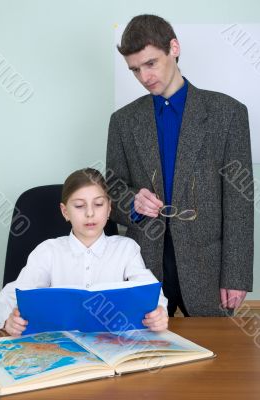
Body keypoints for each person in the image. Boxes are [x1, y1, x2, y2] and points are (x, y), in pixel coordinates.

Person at [106, 14, 254, 317]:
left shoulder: (228, 114)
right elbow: (112, 189)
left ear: (174, 48)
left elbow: (240, 204)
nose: (145, 77)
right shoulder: (122, 121)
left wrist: (236, 276)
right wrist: (132, 201)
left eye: (151, 63)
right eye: (135, 70)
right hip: (142, 264)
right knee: (144, 355)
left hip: (208, 267)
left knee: (214, 357)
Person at [0, 168, 168, 336]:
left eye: (98, 204)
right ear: (65, 211)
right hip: (60, 350)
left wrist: (159, 312)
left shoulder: (127, 249)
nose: (90, 213)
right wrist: (8, 320)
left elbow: (151, 293)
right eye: (79, 206)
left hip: (114, 345)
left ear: (108, 209)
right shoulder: (48, 251)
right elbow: (5, 298)